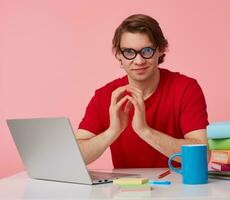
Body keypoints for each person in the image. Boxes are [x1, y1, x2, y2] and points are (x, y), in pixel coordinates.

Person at [76, 14, 209, 168]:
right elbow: (74, 157)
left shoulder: (186, 88)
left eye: (146, 51)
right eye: (129, 52)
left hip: (179, 188)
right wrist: (112, 132)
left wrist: (145, 131)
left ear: (160, 50)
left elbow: (202, 155)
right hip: (126, 189)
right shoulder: (105, 96)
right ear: (119, 55)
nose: (139, 61)